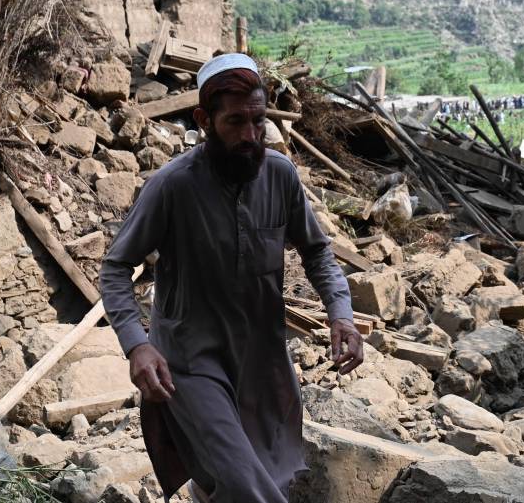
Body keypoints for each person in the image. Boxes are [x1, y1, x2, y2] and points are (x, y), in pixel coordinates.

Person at [100, 54, 364, 503]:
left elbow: (318, 252)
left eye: (258, 120)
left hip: (262, 360)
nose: (249, 135)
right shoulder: (173, 186)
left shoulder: (280, 176)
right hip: (189, 360)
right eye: (235, 121)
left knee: (266, 472)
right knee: (246, 485)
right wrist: (137, 344)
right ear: (204, 119)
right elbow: (115, 268)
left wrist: (341, 315)